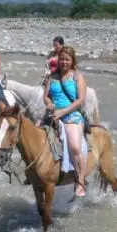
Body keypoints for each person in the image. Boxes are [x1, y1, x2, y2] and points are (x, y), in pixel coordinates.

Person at [44, 46, 88, 198]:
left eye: (67, 59)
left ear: (72, 61)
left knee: (75, 147)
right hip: (53, 114)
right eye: (61, 59)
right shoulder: (52, 76)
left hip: (71, 115)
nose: (64, 62)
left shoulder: (77, 76)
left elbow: (80, 100)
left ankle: (80, 180)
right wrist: (49, 104)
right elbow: (46, 96)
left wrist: (63, 111)